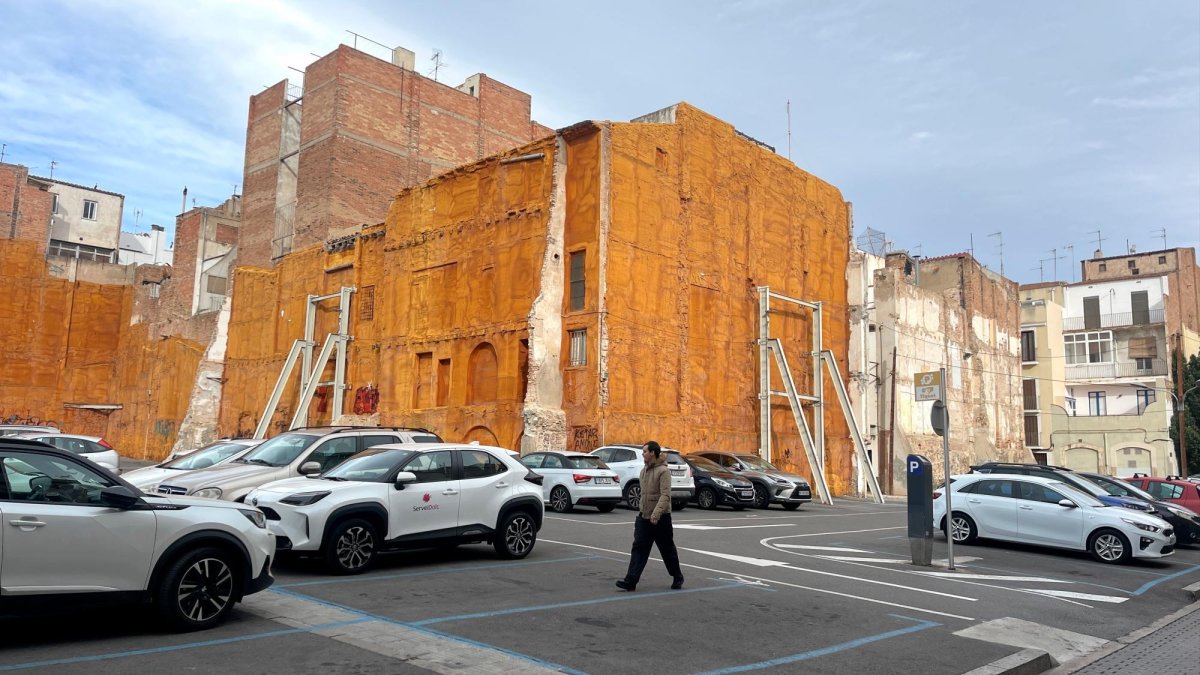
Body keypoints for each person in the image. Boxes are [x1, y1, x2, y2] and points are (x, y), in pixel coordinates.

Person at [616, 440, 684, 591]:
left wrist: (656, 513)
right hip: (644, 518)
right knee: (639, 548)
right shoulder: (643, 471)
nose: (643, 454)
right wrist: (642, 512)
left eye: (645, 451)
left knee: (667, 550)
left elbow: (665, 495)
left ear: (653, 453)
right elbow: (644, 495)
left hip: (661, 519)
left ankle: (677, 576)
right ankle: (631, 581)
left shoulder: (663, 471)